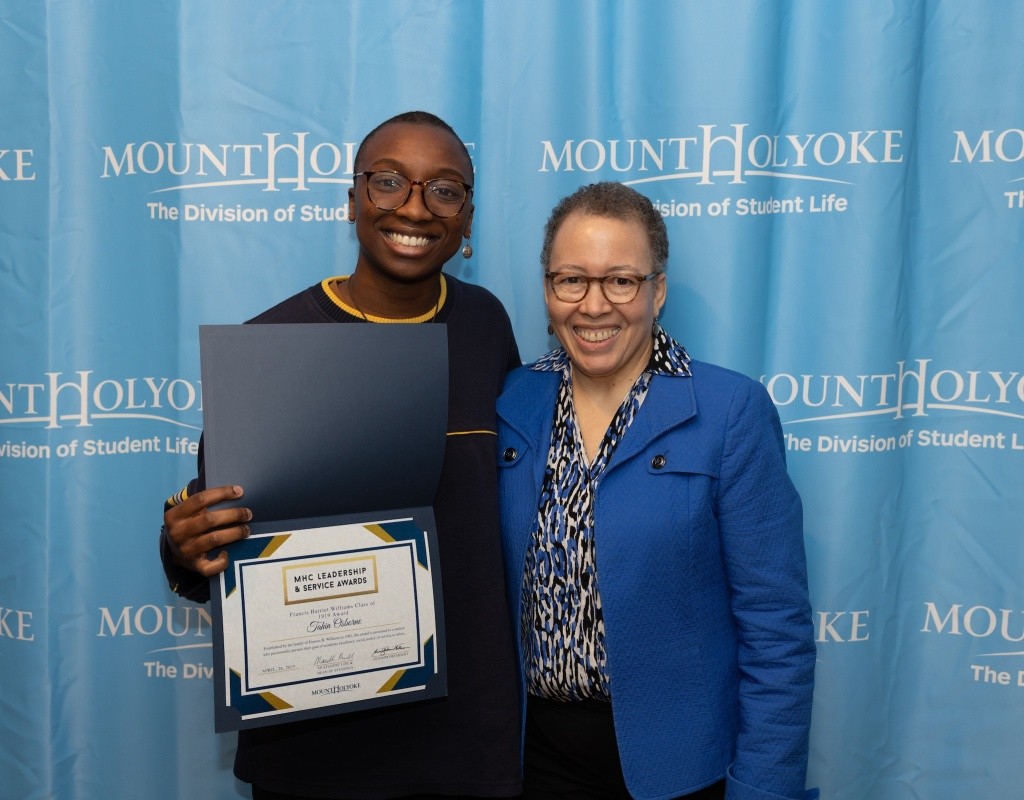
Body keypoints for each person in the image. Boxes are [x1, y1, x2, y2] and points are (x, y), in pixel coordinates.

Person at [160, 111, 523, 800]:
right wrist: (182, 548)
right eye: (389, 181)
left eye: (444, 189)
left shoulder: (486, 325)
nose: (414, 206)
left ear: (468, 218)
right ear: (354, 199)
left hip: (466, 744)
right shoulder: (272, 344)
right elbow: (209, 535)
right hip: (316, 753)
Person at [495, 182, 816, 800]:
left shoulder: (728, 411)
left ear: (657, 289)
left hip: (683, 768)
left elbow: (776, 631)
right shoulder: (514, 400)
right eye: (571, 280)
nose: (593, 306)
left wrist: (763, 789)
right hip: (533, 760)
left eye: (621, 280)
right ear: (547, 288)